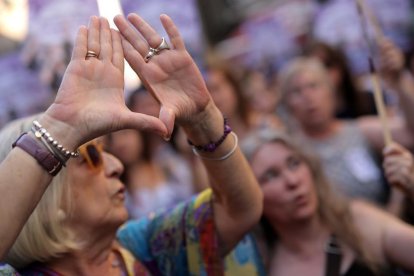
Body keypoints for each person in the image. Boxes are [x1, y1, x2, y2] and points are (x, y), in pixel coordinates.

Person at [0, 14, 262, 275]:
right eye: (92, 156)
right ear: (43, 196)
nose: (116, 166)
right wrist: (60, 129)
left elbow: (238, 210)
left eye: (106, 152)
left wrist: (203, 118)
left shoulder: (143, 247)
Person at [224, 129, 414, 275]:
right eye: (271, 176)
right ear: (251, 199)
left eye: (294, 163)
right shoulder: (264, 267)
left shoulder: (357, 222)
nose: (292, 181)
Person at [276, 48, 414, 211]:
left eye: (313, 86)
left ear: (331, 91)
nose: (308, 96)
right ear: (287, 105)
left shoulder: (358, 129)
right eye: (296, 91)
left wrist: (398, 81)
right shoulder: (293, 152)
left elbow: (410, 134)